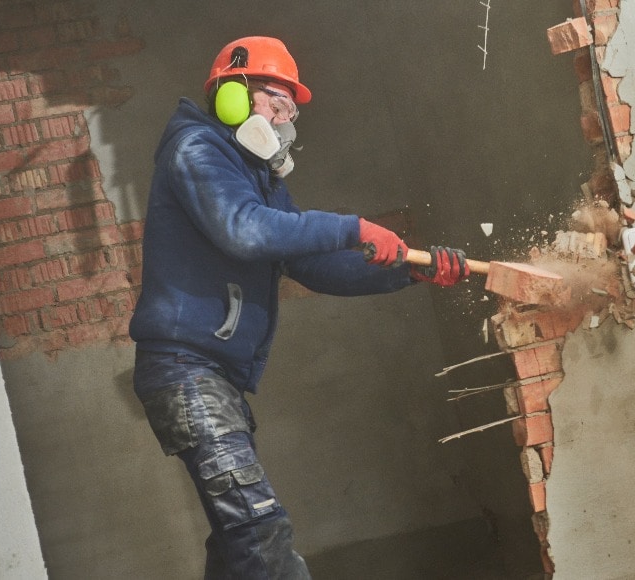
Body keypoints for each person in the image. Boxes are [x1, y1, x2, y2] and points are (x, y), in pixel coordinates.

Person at [128, 36, 469, 579]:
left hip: (210, 377)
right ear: (232, 98)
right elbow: (246, 231)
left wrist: (411, 272)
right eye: (277, 103)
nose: (285, 122)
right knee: (258, 530)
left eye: (290, 111)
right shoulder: (196, 150)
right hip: (185, 371)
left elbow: (312, 266)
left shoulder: (253, 175)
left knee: (240, 543)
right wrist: (352, 225)